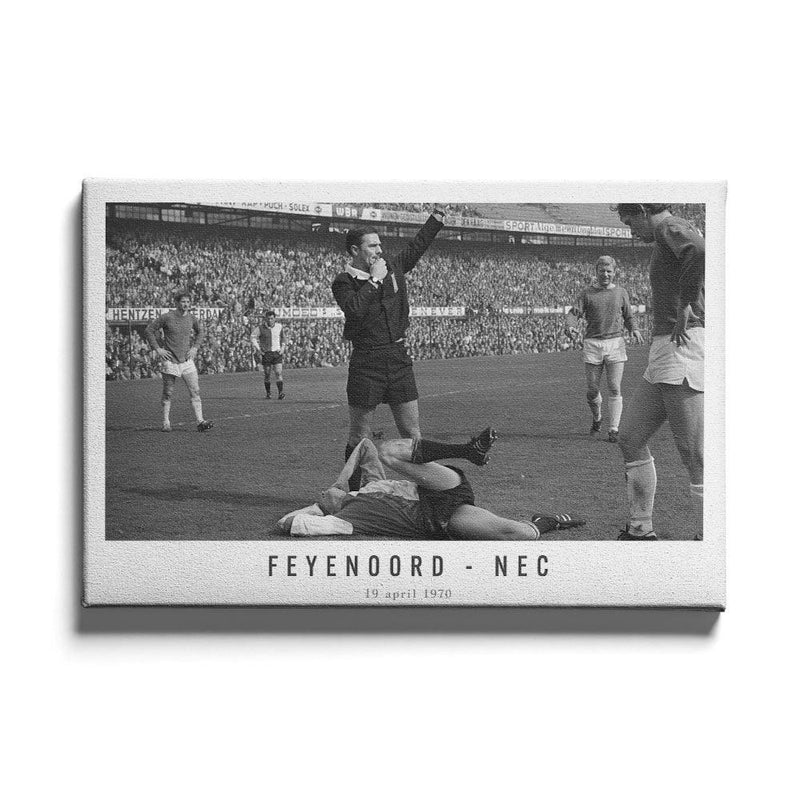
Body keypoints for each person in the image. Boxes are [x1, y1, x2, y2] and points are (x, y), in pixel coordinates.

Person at [277, 428, 585, 540]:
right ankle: (546, 522)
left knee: (388, 451)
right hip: (437, 518)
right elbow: (289, 523)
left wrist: (341, 481)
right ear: (327, 509)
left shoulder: (369, 486)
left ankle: (468, 451)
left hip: (438, 488)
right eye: (323, 498)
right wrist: (315, 510)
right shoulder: (347, 520)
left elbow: (365, 447)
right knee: (516, 534)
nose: (324, 493)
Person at [332, 207, 446, 490]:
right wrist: (374, 280)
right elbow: (355, 310)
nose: (380, 250)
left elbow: (417, 246)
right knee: (359, 434)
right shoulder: (343, 282)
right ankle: (354, 494)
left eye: (380, 245)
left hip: (397, 358)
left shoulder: (393, 267)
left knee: (412, 432)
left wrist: (436, 219)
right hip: (366, 361)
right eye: (373, 246)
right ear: (355, 250)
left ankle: (429, 491)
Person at [613, 204, 705, 540]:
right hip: (665, 348)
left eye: (630, 222)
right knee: (630, 437)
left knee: (694, 453)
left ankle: (709, 539)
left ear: (642, 210)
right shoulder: (666, 236)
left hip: (681, 344)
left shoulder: (669, 227)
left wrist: (686, 303)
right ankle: (640, 528)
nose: (631, 231)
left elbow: (699, 250)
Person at [566, 255, 643, 443]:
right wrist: (570, 325)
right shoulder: (587, 293)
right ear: (596, 272)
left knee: (614, 387)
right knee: (592, 389)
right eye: (602, 271)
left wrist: (634, 329)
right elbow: (574, 313)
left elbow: (628, 316)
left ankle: (614, 429)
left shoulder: (621, 292)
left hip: (615, 343)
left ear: (614, 272)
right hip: (593, 343)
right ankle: (597, 417)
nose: (605, 274)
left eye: (609, 271)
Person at [145, 291, 214, 433]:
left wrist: (195, 347)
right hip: (170, 361)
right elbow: (149, 330)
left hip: (187, 361)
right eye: (183, 302)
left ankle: (200, 421)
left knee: (195, 390)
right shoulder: (167, 317)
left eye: (188, 302)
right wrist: (157, 349)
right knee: (168, 392)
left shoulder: (191, 318)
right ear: (177, 303)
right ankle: (166, 422)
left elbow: (201, 332)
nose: (186, 304)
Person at [251, 310, 286, 399]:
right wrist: (258, 349)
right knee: (267, 374)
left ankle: (281, 393)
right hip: (266, 353)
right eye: (268, 318)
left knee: (278, 372)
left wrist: (282, 348)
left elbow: (283, 338)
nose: (270, 320)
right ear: (265, 319)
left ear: (275, 319)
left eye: (271, 318)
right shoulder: (260, 328)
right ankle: (268, 393)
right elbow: (253, 337)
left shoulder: (279, 327)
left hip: (277, 353)